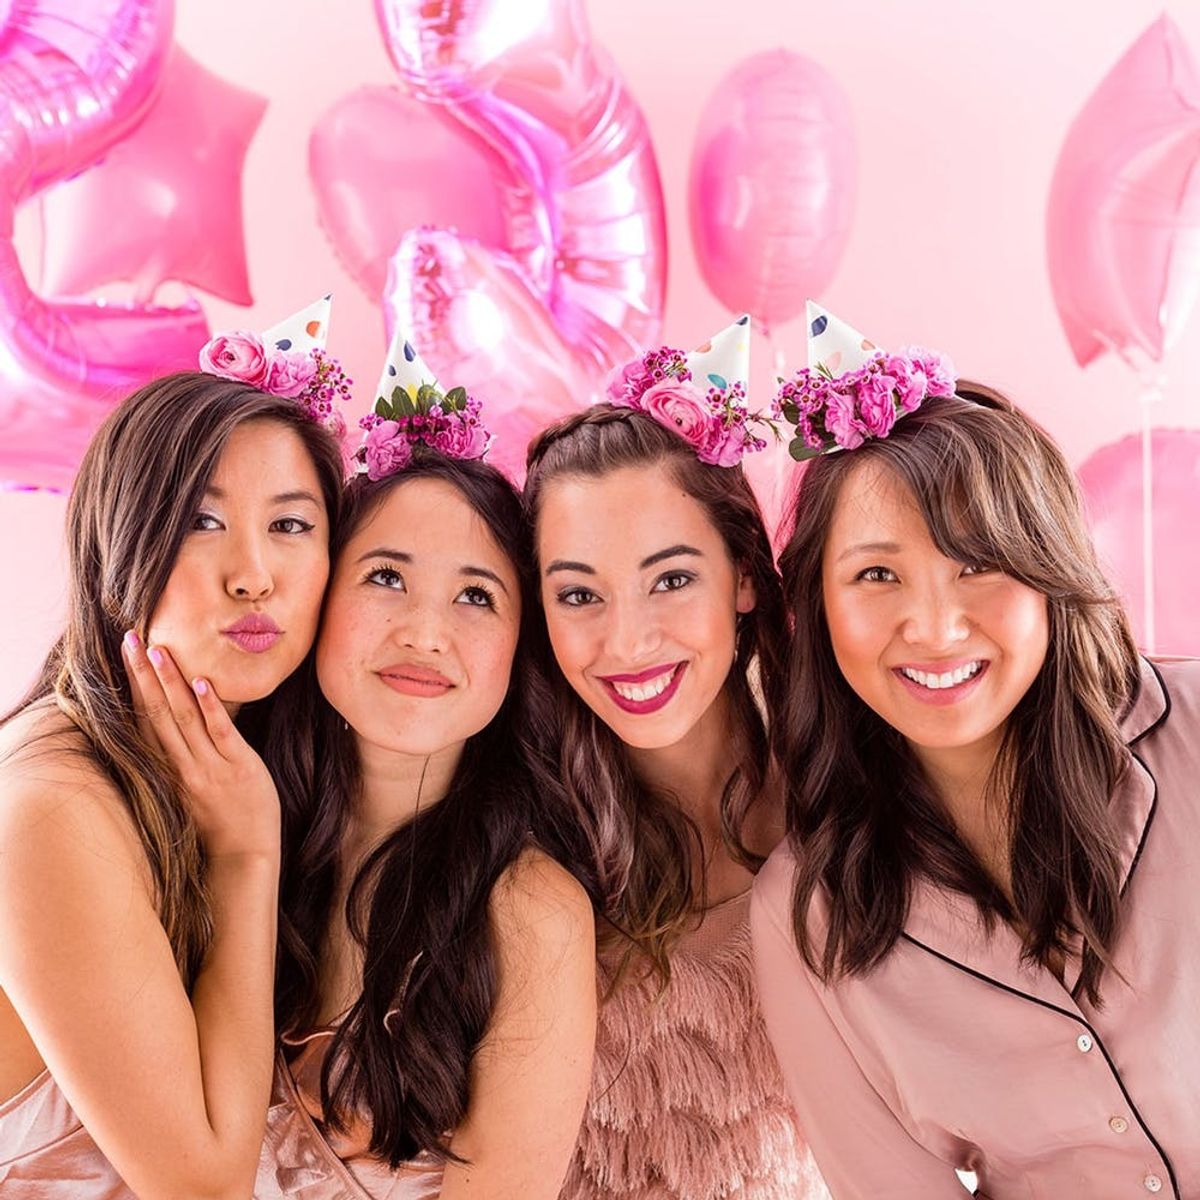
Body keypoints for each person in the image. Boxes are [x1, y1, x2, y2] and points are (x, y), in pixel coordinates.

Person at [752, 303, 1200, 1198]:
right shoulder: (810, 915)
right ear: (817, 607)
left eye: (976, 563)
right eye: (877, 575)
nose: (934, 627)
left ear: (1049, 572)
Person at [0, 300, 347, 1198]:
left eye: (291, 525)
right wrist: (245, 854)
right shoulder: (53, 804)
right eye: (202, 521)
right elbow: (206, 1186)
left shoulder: (226, 761)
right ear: (120, 542)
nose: (254, 575)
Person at [251, 333, 597, 1200]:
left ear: (521, 648)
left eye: (476, 595)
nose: (426, 632)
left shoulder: (529, 913)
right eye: (385, 578)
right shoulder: (225, 824)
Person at [524, 318, 827, 1200]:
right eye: (578, 594)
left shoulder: (849, 806)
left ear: (744, 577)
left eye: (671, 579)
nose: (627, 642)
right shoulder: (525, 855)